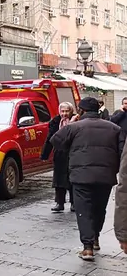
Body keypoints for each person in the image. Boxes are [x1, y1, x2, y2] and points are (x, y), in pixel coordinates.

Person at [50, 97, 125, 261]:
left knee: (84, 210)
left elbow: (56, 141)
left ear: (81, 110)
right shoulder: (114, 128)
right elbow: (122, 153)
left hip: (81, 176)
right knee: (99, 208)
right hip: (105, 176)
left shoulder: (74, 127)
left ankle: (88, 247)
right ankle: (96, 238)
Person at [41, 102, 74, 212]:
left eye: (66, 111)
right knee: (59, 180)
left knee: (72, 179)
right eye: (62, 111)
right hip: (59, 154)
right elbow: (50, 138)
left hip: (72, 154)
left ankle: (74, 203)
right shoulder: (55, 122)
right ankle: (59, 203)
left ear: (71, 111)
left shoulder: (76, 121)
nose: (64, 114)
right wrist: (45, 154)